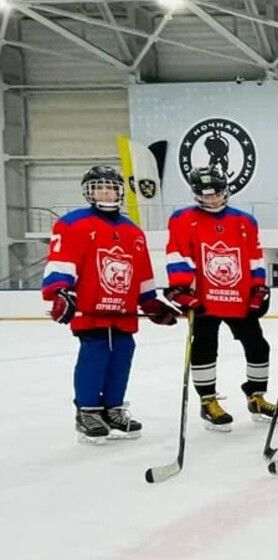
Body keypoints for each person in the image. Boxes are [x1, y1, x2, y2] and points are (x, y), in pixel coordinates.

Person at [43, 166, 179, 443]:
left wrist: (151, 302)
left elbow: (141, 271)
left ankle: (113, 409)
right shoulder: (73, 223)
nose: (105, 192)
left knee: (122, 351)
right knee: (96, 351)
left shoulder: (133, 231)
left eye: (110, 187)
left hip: (123, 308)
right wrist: (60, 291)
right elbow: (62, 261)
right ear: (89, 192)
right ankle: (88, 411)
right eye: (99, 187)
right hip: (91, 306)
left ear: (119, 192)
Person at [166, 166, 278, 430]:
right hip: (204, 298)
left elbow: (254, 257)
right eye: (206, 195)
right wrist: (181, 288)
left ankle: (256, 396)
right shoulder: (182, 219)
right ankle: (208, 402)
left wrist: (259, 288)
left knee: (258, 345)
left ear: (225, 190)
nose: (212, 199)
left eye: (216, 193)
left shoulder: (245, 221)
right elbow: (178, 254)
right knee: (205, 347)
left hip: (239, 297)